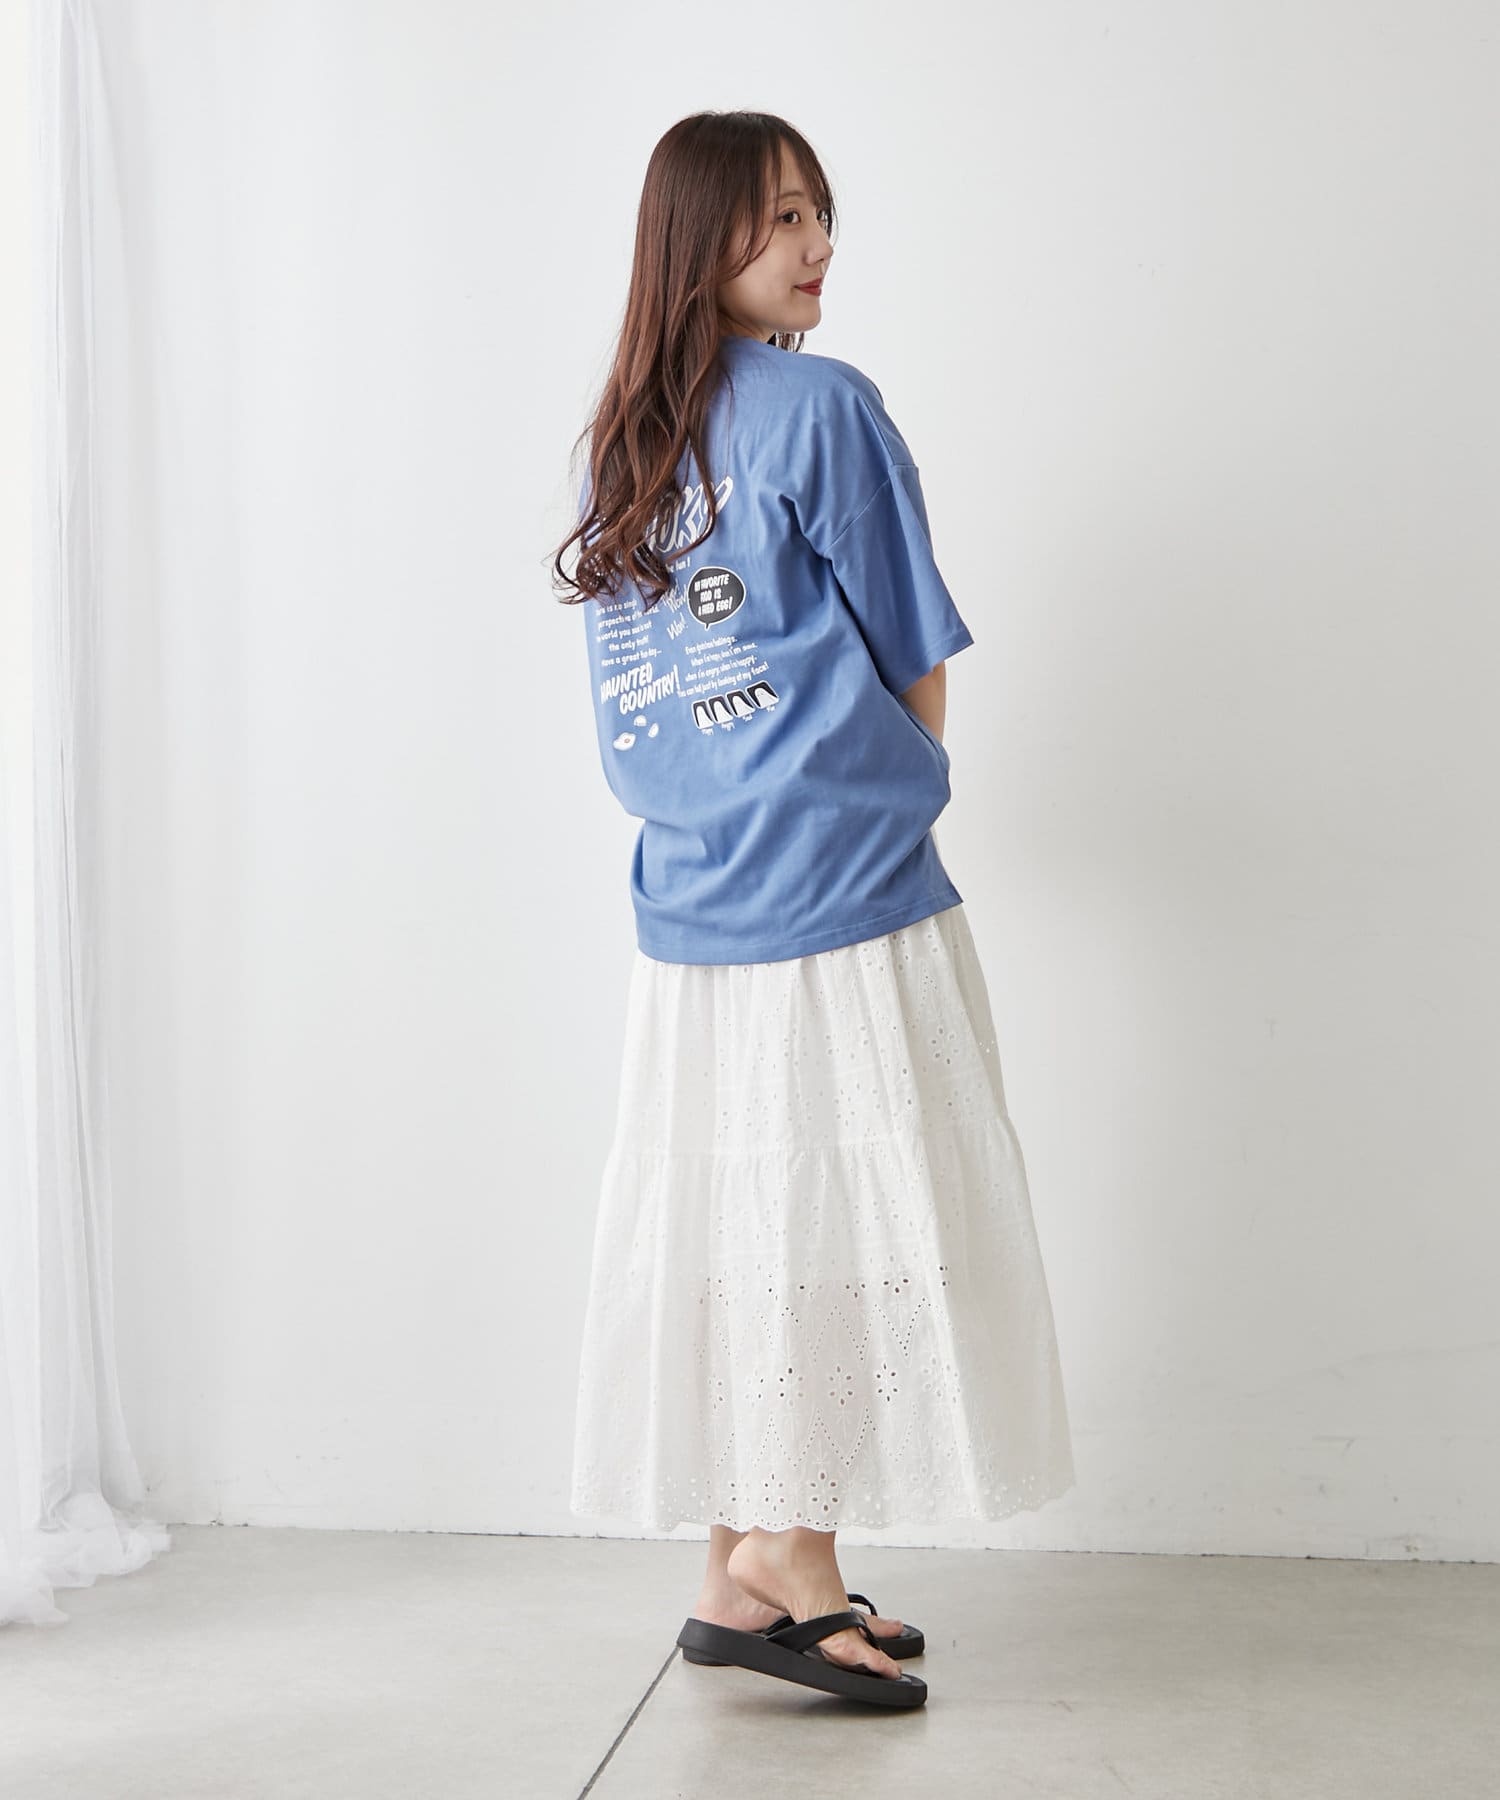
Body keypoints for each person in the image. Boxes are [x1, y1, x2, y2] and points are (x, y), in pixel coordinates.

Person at [550, 111, 1075, 1710]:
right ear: (699, 237)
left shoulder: (621, 446)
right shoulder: (825, 409)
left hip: (695, 907)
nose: (819, 244)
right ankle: (794, 1549)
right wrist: (903, 789)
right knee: (854, 1228)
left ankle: (736, 1566)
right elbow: (913, 647)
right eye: (782, 216)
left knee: (750, 1228)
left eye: (820, 213)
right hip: (839, 895)